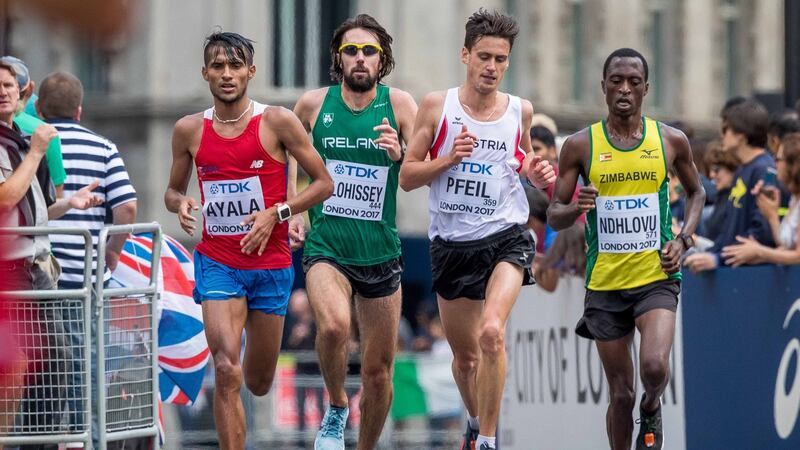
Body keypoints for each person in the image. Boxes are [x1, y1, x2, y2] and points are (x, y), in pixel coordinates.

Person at [164, 31, 333, 450]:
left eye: (235, 65)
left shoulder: (277, 121)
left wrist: (279, 212)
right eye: (218, 66)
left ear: (250, 72)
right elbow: (171, 191)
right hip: (218, 261)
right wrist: (180, 203)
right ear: (205, 73)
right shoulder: (188, 130)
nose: (227, 74)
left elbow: (324, 184)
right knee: (226, 368)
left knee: (257, 382)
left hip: (270, 265)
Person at [399, 9, 555, 450]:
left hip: (505, 236)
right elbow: (408, 177)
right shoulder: (437, 105)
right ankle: (473, 419)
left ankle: (488, 440)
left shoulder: (519, 110)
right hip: (451, 245)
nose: (492, 67)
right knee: (465, 360)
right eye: (484, 56)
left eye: (501, 59)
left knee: (492, 332)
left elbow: (523, 162)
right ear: (465, 55)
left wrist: (538, 174)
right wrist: (448, 159)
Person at [546, 48, 705, 450]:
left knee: (653, 369)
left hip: (656, 274)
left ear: (646, 89)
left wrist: (683, 239)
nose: (624, 89)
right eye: (616, 80)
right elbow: (554, 215)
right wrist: (575, 207)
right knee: (621, 394)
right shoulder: (581, 145)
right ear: (603, 87)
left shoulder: (669, 140)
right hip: (605, 283)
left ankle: (653, 407)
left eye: (634, 82)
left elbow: (697, 193)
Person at [292, 13, 417, 450]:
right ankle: (337, 405)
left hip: (380, 250)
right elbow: (293, 152)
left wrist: (399, 152)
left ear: (382, 60)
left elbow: (415, 169)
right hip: (328, 245)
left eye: (369, 51)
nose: (360, 58)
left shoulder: (400, 105)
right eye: (351, 50)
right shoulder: (312, 104)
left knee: (380, 370)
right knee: (332, 328)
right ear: (338, 58)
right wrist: (297, 208)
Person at [37, 70, 138, 439]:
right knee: (87, 362)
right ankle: (87, 438)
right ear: (79, 110)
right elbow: (127, 207)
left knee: (40, 366)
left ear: (40, 110)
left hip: (39, 279)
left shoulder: (33, 145)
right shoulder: (103, 147)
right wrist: (112, 251)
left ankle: (41, 438)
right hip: (87, 276)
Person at [684, 99, 775, 273]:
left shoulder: (764, 170)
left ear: (741, 136)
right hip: (734, 270)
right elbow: (730, 231)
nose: (722, 135)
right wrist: (711, 253)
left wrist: (719, 259)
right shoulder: (742, 170)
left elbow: (761, 231)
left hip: (752, 275)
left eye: (726, 129)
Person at [721, 132, 800, 265]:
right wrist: (772, 215)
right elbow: (785, 244)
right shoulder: (794, 199)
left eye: (778, 159)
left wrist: (759, 251)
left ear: (793, 166)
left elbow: (798, 256)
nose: (775, 164)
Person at [0, 56, 66, 199]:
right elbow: (4, 202)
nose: (3, 92)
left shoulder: (28, 137)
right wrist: (35, 152)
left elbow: (46, 205)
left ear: (18, 91)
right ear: (30, 89)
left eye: (8, 85)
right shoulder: (42, 134)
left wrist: (71, 202)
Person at [700, 140, 740, 241]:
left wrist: (694, 240)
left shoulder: (736, 200)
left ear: (732, 167)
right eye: (710, 170)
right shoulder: (722, 196)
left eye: (716, 170)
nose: (711, 175)